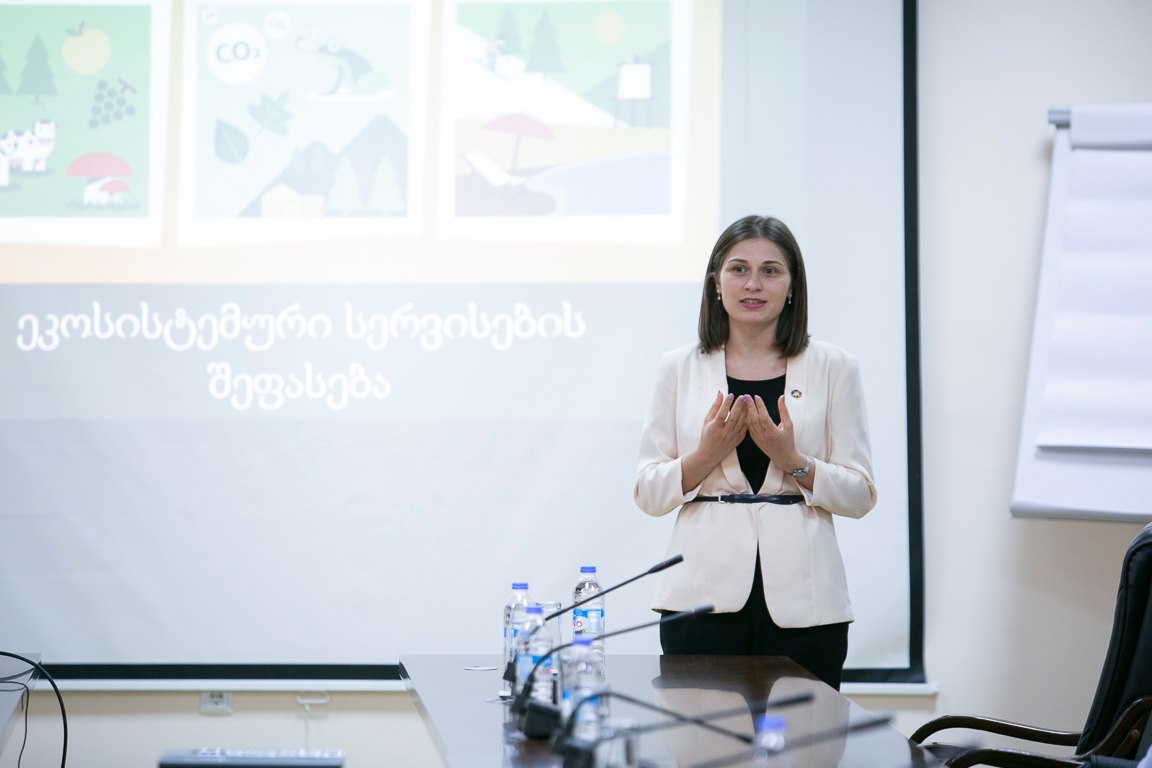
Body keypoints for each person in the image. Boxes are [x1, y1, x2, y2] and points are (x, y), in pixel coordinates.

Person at [633, 215, 877, 689]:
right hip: (700, 598)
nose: (753, 284)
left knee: (805, 737)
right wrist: (705, 455)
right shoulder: (678, 367)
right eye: (738, 269)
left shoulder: (835, 367)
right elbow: (647, 492)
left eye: (770, 271)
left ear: (792, 285)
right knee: (704, 734)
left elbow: (860, 494)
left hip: (806, 603)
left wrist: (795, 463)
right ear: (716, 282)